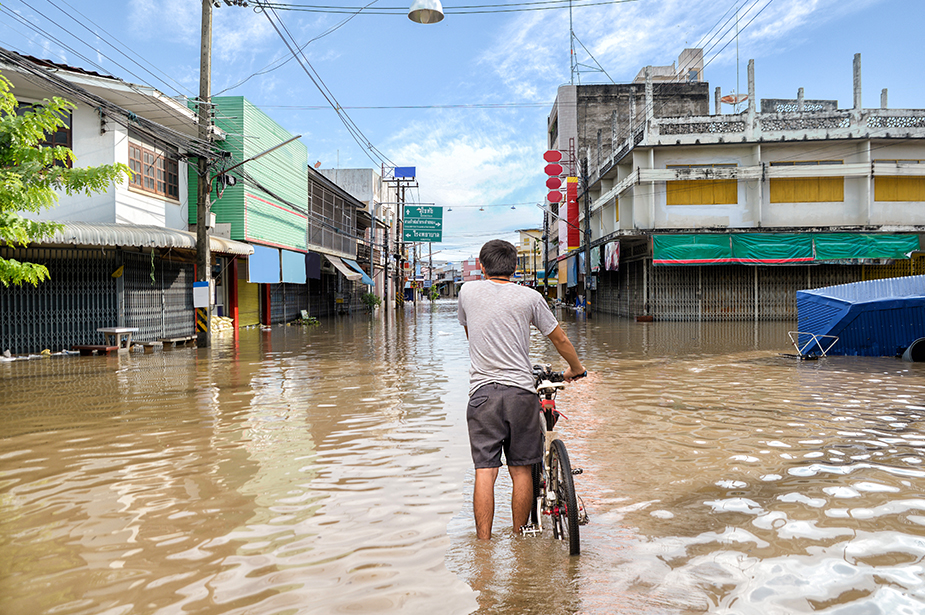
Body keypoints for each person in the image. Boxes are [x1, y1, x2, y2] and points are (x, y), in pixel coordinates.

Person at [457, 239, 586, 540]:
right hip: (520, 394)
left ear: (481, 264)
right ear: (515, 267)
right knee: (521, 470)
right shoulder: (529, 297)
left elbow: (469, 332)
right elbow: (560, 339)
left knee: (485, 472)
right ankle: (520, 537)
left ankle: (484, 546)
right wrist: (576, 369)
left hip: (482, 395)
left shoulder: (466, 291)